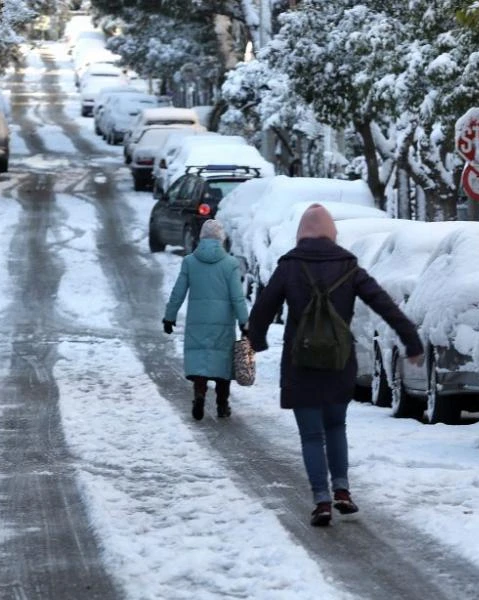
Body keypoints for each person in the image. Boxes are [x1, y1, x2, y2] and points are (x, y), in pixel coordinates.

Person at [247, 204, 423, 527]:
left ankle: (321, 500)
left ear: (302, 232)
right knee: (336, 426)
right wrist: (411, 341)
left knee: (312, 435)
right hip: (339, 363)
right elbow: (384, 304)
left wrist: (255, 342)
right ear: (332, 232)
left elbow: (262, 309)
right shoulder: (348, 267)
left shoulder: (289, 266)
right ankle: (341, 489)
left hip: (301, 364)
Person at [163, 219, 249, 421]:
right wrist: (244, 323)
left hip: (197, 322)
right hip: (223, 323)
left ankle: (199, 395)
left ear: (201, 237)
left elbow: (178, 292)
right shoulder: (230, 264)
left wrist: (169, 316)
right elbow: (237, 297)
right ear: (221, 238)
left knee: (201, 362)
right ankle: (222, 404)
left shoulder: (190, 262)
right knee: (223, 365)